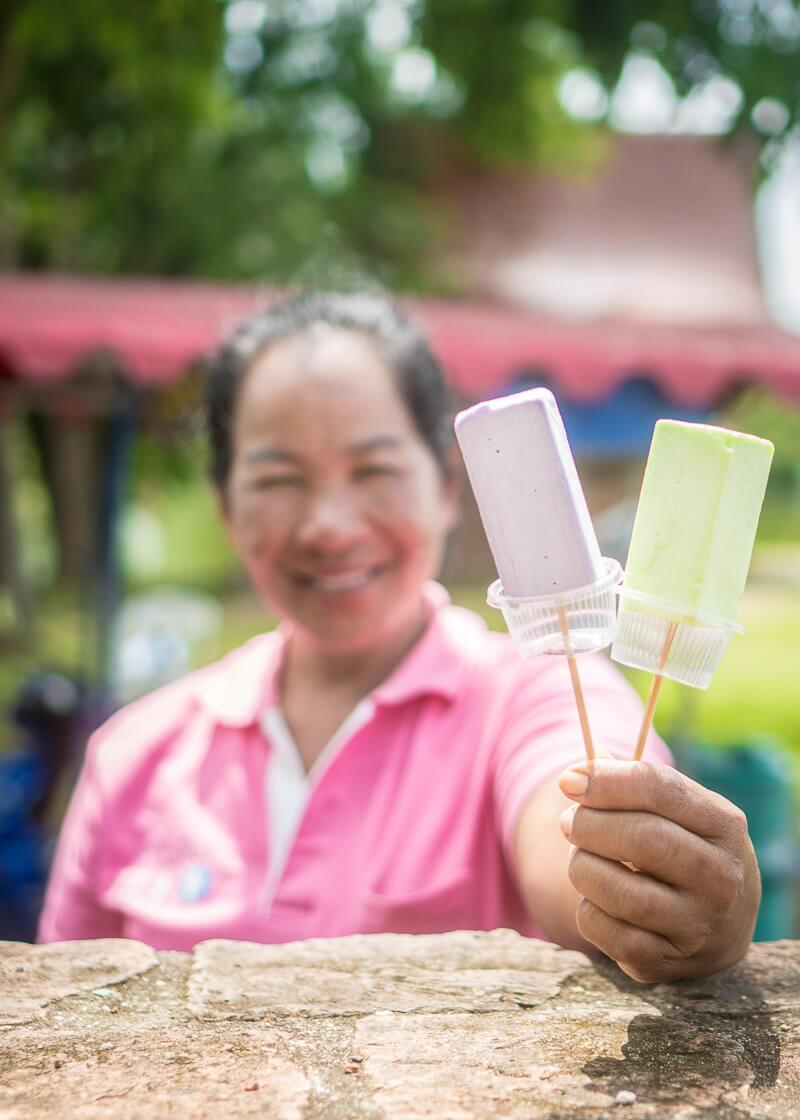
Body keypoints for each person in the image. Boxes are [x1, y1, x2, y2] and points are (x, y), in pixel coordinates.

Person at [38, 292, 760, 982]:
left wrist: (652, 891)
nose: (330, 525)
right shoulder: (131, 756)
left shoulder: (533, 698)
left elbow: (567, 825)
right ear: (227, 506)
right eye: (279, 478)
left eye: (374, 470)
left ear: (448, 486)